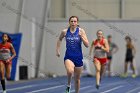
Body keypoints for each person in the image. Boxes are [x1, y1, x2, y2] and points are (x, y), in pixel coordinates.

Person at [56, 16, 89, 93]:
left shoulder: (81, 31)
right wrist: (57, 50)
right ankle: (68, 85)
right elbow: (59, 39)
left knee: (77, 79)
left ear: (77, 23)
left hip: (78, 57)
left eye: (75, 21)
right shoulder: (65, 31)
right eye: (72, 21)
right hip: (69, 56)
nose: (73, 23)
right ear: (69, 22)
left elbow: (87, 45)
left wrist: (81, 37)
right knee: (70, 71)